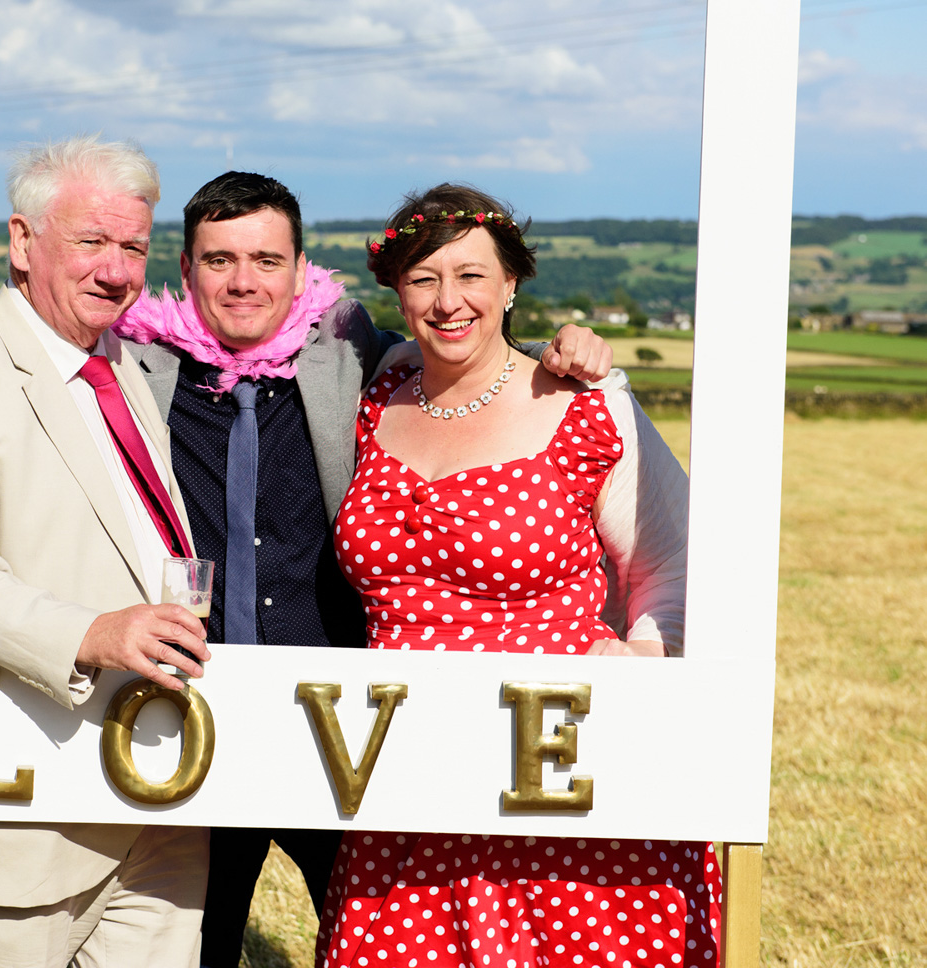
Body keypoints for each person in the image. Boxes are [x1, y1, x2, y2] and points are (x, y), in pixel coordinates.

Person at [111, 171, 614, 968]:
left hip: (342, 723)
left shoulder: (357, 365)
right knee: (189, 948)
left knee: (371, 938)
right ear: (185, 265)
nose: (244, 281)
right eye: (220, 260)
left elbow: (467, 360)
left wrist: (570, 347)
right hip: (196, 713)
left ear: (303, 268)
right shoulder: (135, 370)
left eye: (268, 260)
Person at [314, 183, 721, 967]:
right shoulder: (379, 394)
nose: (448, 300)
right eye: (424, 278)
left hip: (559, 761)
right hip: (409, 772)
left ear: (511, 284)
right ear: (398, 290)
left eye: (471, 275)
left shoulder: (586, 406)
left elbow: (674, 558)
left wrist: (642, 658)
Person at [0, 136, 212, 968]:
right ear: (21, 241)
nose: (116, 270)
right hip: (20, 815)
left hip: (154, 802)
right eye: (91, 243)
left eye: (134, 248)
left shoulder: (121, 365)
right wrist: (89, 633)